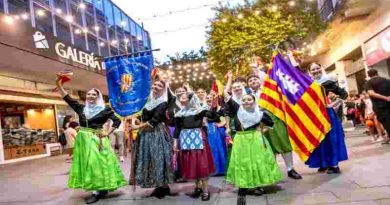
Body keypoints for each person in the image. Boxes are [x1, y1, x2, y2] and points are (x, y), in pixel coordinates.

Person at [55, 79, 126, 204]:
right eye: (89, 94)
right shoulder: (81, 108)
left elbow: (116, 121)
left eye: (94, 94)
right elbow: (67, 98)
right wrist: (59, 84)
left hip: (97, 139)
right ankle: (99, 188)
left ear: (98, 97)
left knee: (96, 164)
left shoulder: (105, 110)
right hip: (83, 140)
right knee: (89, 165)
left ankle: (96, 191)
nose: (91, 96)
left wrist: (107, 132)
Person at [224, 93, 283, 205]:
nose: (246, 101)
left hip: (255, 139)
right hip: (241, 139)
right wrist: (230, 79)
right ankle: (243, 186)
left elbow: (271, 124)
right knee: (243, 162)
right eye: (244, 100)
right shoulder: (238, 110)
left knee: (256, 161)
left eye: (249, 99)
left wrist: (261, 130)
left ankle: (257, 184)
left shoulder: (260, 114)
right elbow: (226, 95)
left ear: (254, 101)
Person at [247, 74, 302, 180]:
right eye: (250, 80)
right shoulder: (248, 95)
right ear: (248, 84)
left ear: (260, 80)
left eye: (255, 78)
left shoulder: (269, 89)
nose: (253, 81)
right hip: (260, 123)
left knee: (283, 143)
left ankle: (290, 169)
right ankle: (272, 171)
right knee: (267, 147)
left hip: (274, 118)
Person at [130, 80, 174, 199]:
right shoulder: (146, 101)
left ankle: (163, 185)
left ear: (163, 89)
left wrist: (137, 126)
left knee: (158, 158)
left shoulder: (163, 102)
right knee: (148, 158)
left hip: (156, 133)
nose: (156, 86)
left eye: (159, 85)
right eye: (154, 84)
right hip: (145, 134)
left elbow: (154, 121)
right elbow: (143, 117)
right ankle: (157, 185)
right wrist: (138, 120)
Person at [307, 63, 348, 174]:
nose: (316, 71)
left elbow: (344, 94)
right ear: (310, 72)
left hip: (329, 116)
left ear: (321, 69)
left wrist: (334, 101)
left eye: (317, 68)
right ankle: (324, 163)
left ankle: (334, 165)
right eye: (313, 69)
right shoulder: (308, 84)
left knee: (331, 139)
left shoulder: (329, 82)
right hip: (315, 117)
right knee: (320, 140)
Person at [174, 93, 216, 201]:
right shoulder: (180, 113)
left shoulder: (200, 111)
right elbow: (177, 129)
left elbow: (213, 116)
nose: (181, 99)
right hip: (185, 140)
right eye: (180, 98)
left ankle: (206, 190)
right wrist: (175, 143)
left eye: (183, 97)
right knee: (192, 164)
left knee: (201, 164)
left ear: (190, 100)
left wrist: (212, 104)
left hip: (198, 139)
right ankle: (198, 187)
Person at [205, 93, 227, 176]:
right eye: (208, 98)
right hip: (210, 131)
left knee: (220, 148)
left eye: (213, 97)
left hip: (218, 130)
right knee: (212, 148)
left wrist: (221, 124)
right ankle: (215, 169)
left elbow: (225, 119)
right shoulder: (207, 109)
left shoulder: (221, 108)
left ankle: (222, 169)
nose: (211, 99)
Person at [366, 69, 390, 144]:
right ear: (377, 73)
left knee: (386, 122)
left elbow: (371, 93)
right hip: (388, 103)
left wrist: (385, 98)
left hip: (379, 105)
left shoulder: (369, 82)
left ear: (369, 75)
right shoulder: (386, 80)